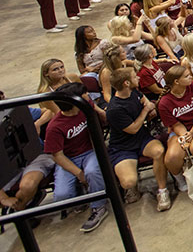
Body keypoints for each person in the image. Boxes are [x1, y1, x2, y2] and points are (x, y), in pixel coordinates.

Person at [43, 82, 108, 232]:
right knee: (62, 197)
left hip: (90, 151)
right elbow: (58, 156)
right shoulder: (55, 127)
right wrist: (78, 174)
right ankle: (81, 191)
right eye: (84, 94)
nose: (88, 96)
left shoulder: (86, 107)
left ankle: (98, 206)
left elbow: (101, 115)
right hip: (69, 158)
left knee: (92, 172)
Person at [105, 67, 170, 211]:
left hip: (142, 139)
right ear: (126, 83)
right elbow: (133, 128)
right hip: (123, 147)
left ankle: (162, 191)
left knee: (159, 151)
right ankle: (131, 187)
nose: (138, 78)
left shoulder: (133, 91)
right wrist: (146, 111)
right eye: (135, 77)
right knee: (128, 182)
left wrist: (150, 106)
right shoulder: (114, 109)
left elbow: (143, 100)